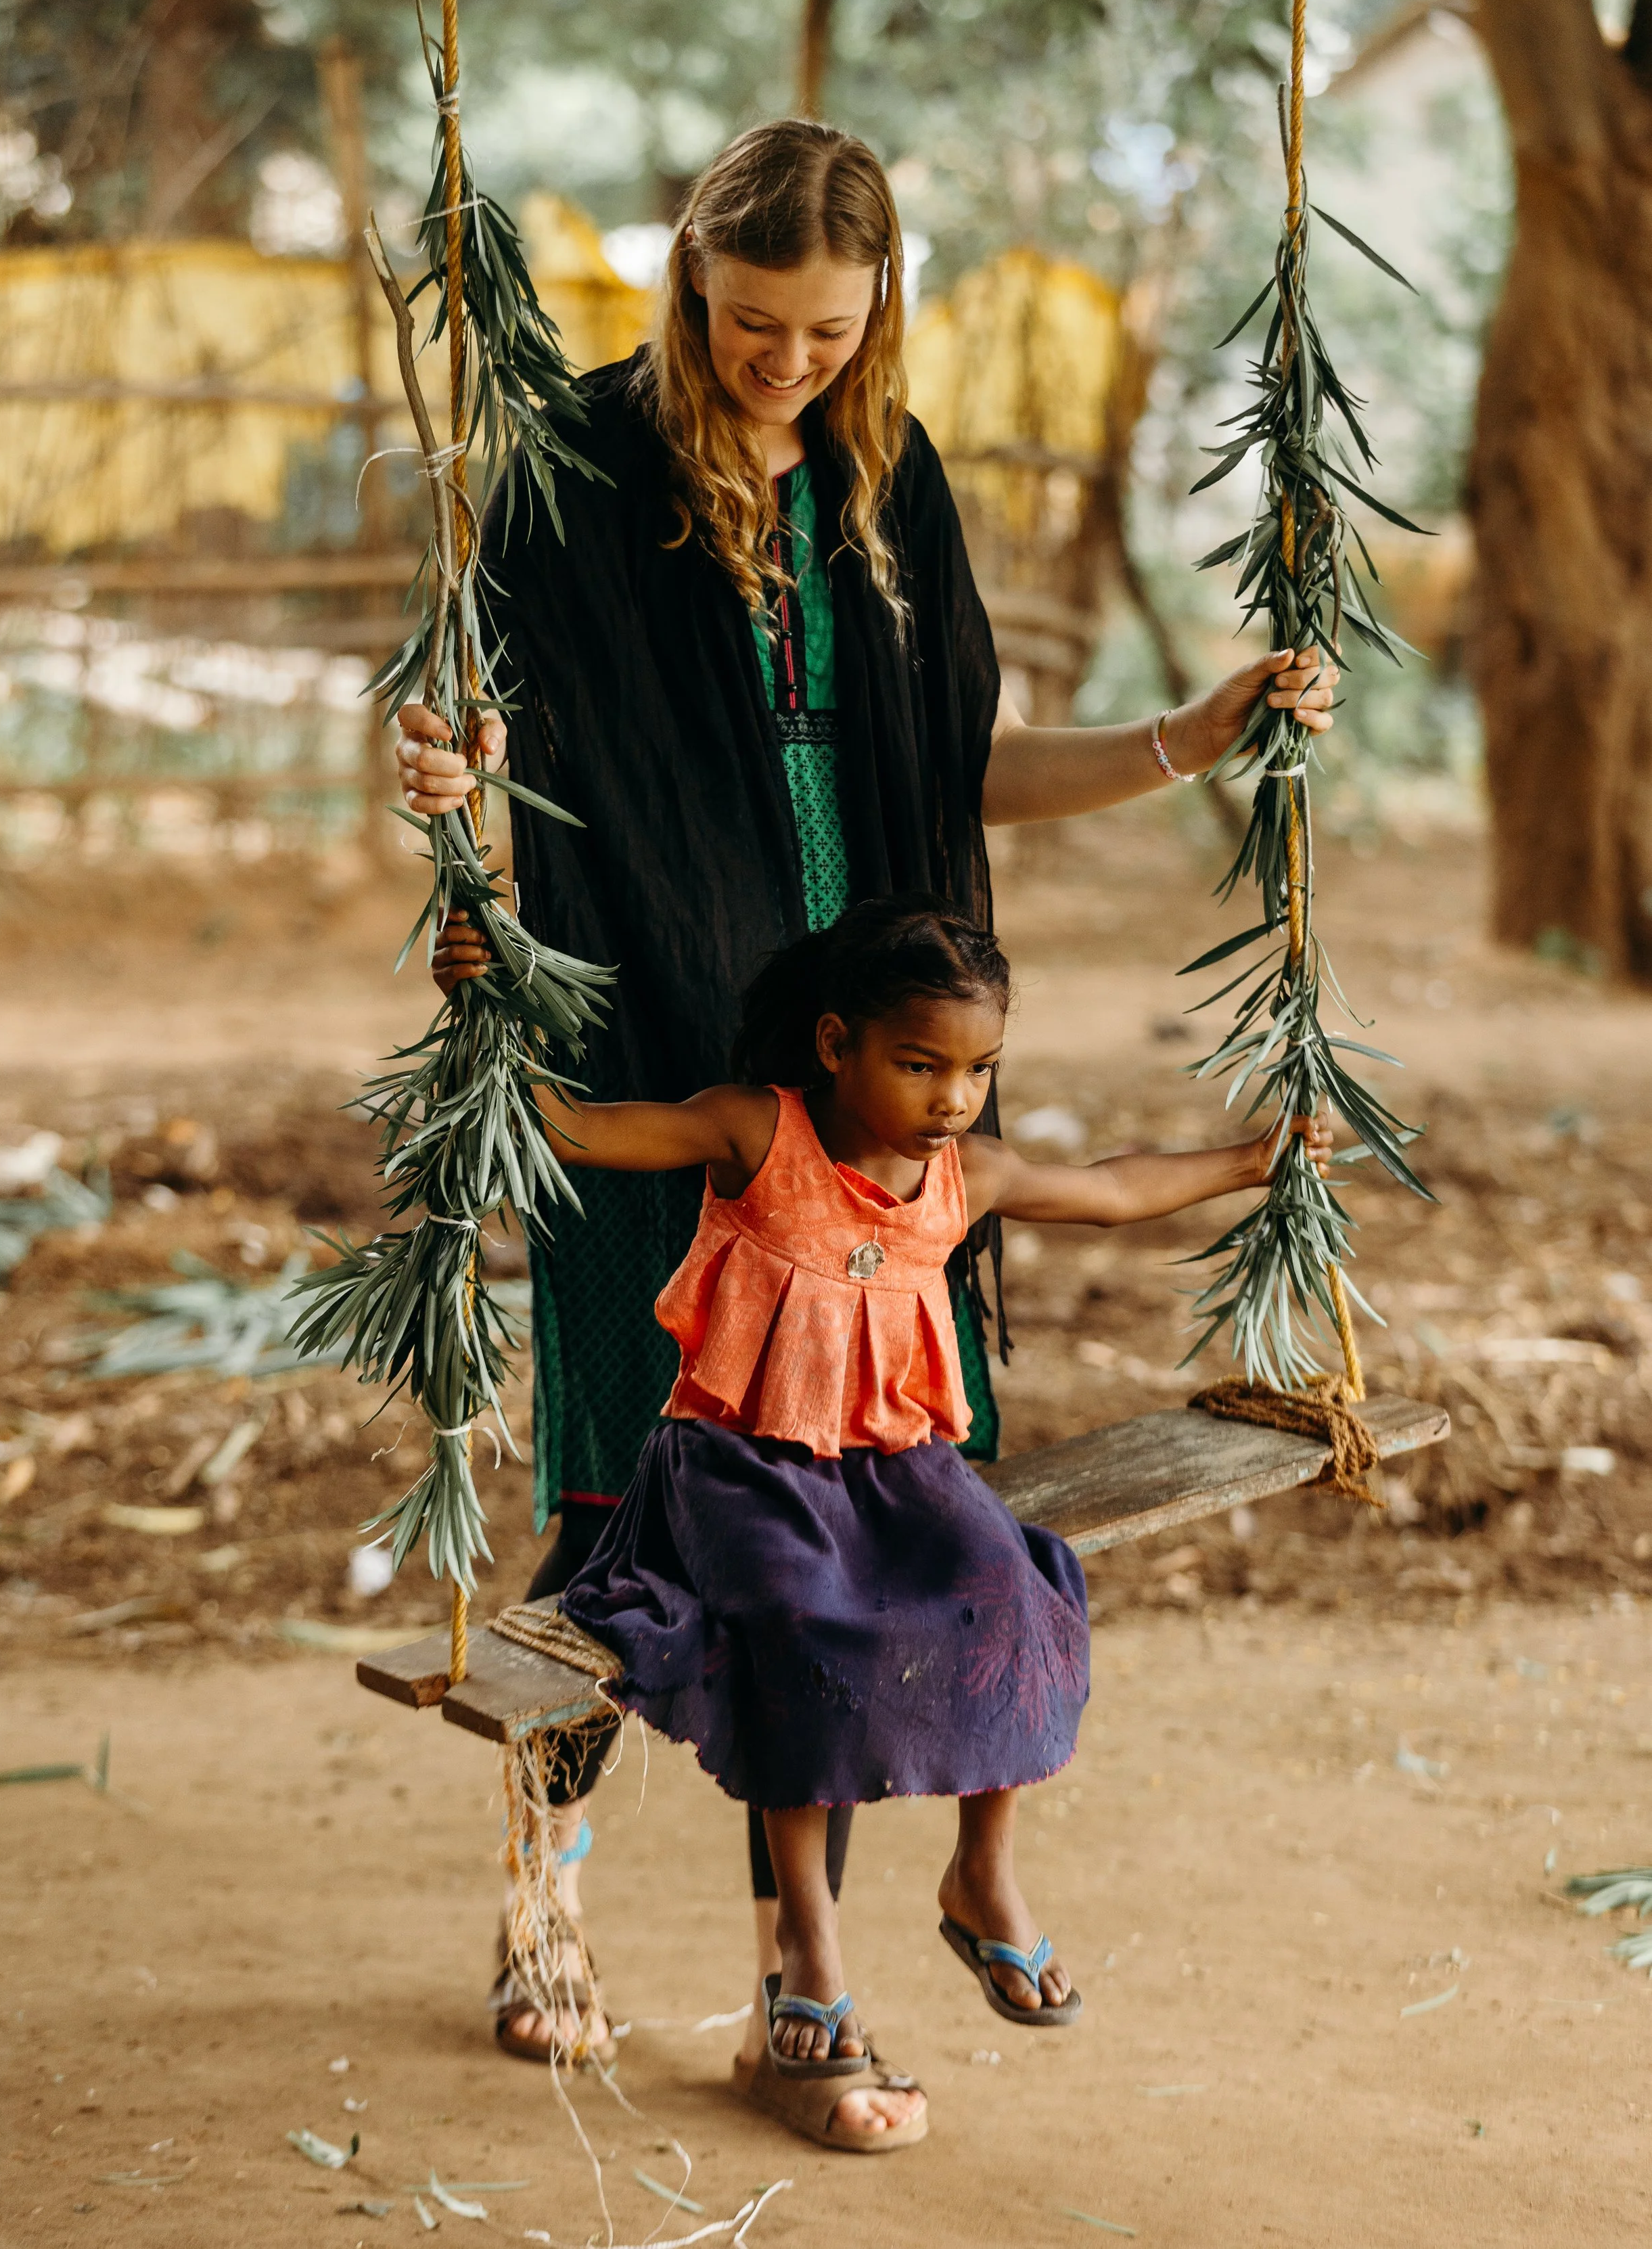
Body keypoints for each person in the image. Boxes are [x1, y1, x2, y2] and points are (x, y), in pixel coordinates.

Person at [394, 114, 1339, 2139]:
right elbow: (490, 743)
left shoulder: (887, 477)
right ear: (686, 287)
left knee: (845, 1520)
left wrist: (1201, 730)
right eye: (750, 325)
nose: (785, 362)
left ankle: (789, 1984)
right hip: (673, 1059)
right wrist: (448, 805)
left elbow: (959, 767)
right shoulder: (569, 472)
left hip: (871, 1083)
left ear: (875, 308)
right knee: (613, 1495)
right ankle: (539, 1901)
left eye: (829, 329)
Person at [434, 892, 1331, 2152]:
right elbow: (580, 1132)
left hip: (899, 1466)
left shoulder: (964, 1176)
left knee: (1022, 1591)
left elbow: (1118, 1189)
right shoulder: (758, 1132)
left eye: (978, 1068)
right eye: (922, 1064)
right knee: (802, 1639)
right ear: (836, 1041)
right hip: (742, 1468)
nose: (954, 1096)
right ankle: (809, 1943)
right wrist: (474, 1011)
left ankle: (985, 1873)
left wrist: (1252, 1161)